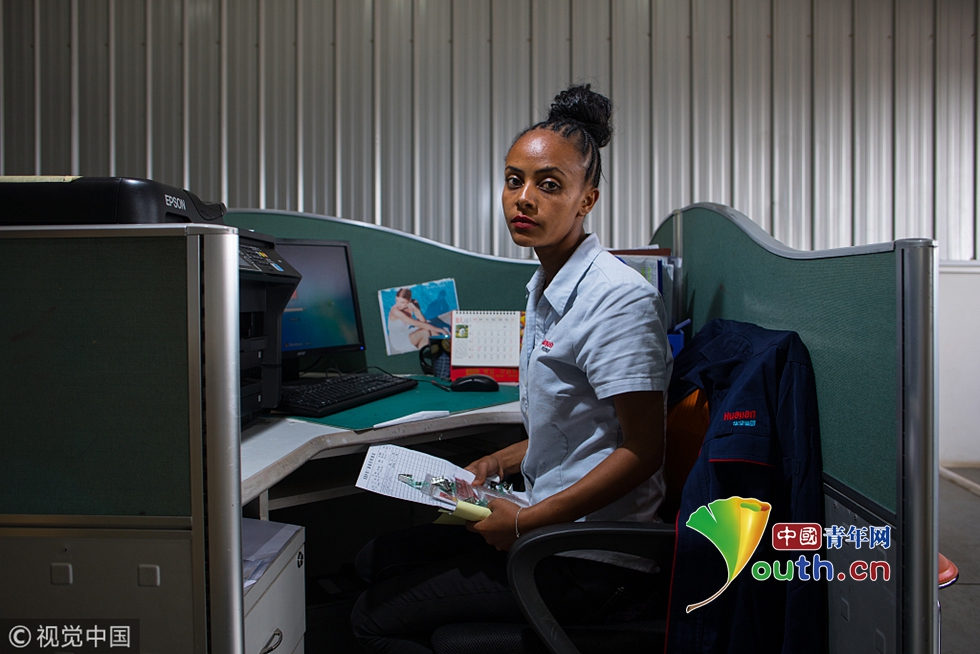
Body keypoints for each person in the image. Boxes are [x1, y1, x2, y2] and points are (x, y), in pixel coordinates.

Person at [350, 84, 673, 653]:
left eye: (549, 185)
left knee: (372, 619)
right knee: (374, 559)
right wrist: (498, 460)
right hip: (546, 522)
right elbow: (579, 428)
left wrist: (525, 524)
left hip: (590, 557)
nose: (523, 199)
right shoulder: (546, 284)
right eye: (513, 180)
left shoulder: (618, 299)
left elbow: (643, 449)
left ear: (587, 200)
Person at [387, 288, 448, 352]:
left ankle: (441, 351)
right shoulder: (395, 311)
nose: (398, 304)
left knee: (434, 333)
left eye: (402, 302)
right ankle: (422, 353)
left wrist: (416, 310)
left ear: (409, 300)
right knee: (425, 333)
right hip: (398, 340)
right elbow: (420, 324)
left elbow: (423, 322)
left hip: (406, 332)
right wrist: (441, 330)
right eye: (397, 300)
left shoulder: (414, 303)